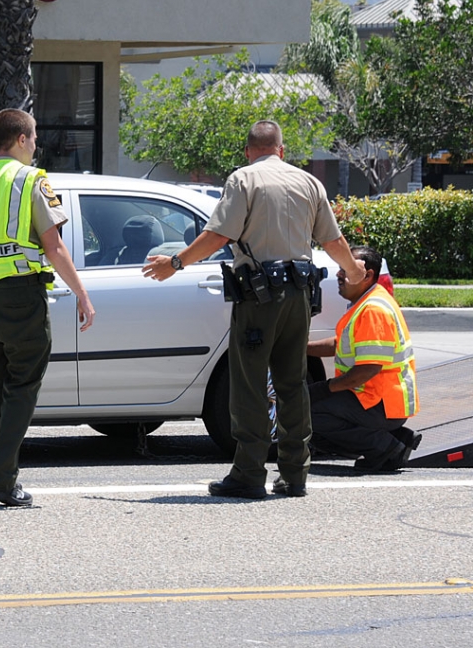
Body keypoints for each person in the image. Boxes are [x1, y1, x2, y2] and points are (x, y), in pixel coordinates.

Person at [143, 119, 366, 499]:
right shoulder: (309, 182)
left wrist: (175, 264)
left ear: (249, 151)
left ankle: (249, 474)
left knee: (249, 386)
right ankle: (295, 474)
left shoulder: (243, 180)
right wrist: (354, 269)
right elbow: (333, 239)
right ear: (281, 150)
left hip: (259, 298)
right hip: (299, 296)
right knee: (292, 383)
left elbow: (218, 235)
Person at [0, 108, 95, 507]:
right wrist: (82, 294)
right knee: (23, 386)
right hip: (21, 296)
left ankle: (3, 476)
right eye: (33, 137)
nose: (36, 144)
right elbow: (55, 246)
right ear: (19, 140)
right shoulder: (33, 179)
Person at [307, 245, 420, 472]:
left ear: (367, 275)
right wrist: (302, 348)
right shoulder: (368, 302)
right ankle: (395, 437)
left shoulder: (373, 310)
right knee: (314, 403)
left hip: (379, 403)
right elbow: (340, 345)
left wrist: (325, 388)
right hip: (378, 401)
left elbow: (367, 369)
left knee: (309, 412)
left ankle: (385, 447)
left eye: (346, 269)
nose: (339, 274)